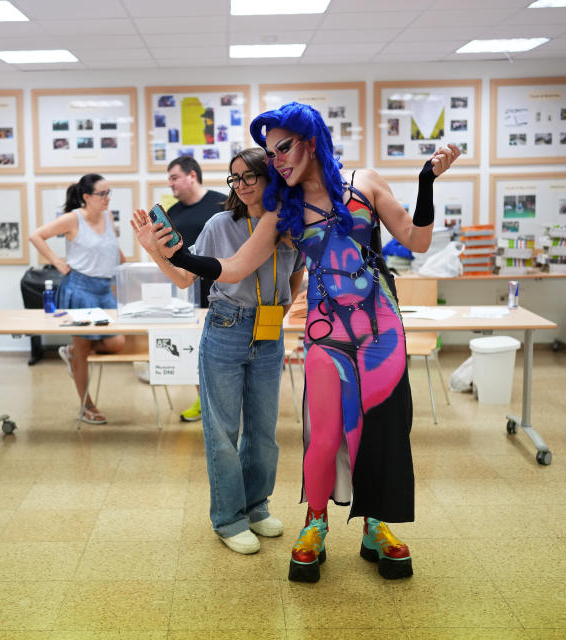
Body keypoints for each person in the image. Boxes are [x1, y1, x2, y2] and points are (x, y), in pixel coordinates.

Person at [150, 102, 460, 582]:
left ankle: (375, 526)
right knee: (324, 433)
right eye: (271, 153)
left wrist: (426, 182)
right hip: (325, 333)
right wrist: (182, 258)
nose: (277, 160)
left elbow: (416, 241)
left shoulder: (367, 183)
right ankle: (315, 523)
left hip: (382, 329)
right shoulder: (283, 210)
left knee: (378, 433)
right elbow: (234, 268)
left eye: (284, 148)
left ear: (311, 140)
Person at [131, 148, 305, 555]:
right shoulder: (219, 224)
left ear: (271, 178)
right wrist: (153, 248)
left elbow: (297, 273)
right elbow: (181, 277)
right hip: (226, 327)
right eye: (235, 179)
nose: (241, 186)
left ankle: (256, 507)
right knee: (224, 433)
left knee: (263, 432)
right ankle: (228, 518)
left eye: (249, 177)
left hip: (269, 330)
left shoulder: (289, 225)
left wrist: (282, 308)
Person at [28, 173, 128, 425]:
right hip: (80, 289)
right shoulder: (73, 219)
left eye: (109, 193)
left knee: (117, 341)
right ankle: (87, 405)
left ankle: (72, 352)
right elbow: (36, 236)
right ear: (86, 197)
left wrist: (123, 264)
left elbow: (112, 247)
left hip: (104, 289)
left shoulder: (107, 216)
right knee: (84, 349)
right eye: (102, 194)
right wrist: (58, 263)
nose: (107, 198)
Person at [165, 155, 228, 422]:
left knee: (224, 351)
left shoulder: (221, 203)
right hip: (188, 291)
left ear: (192, 175)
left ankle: (227, 402)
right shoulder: (173, 213)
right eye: (169, 180)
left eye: (174, 177)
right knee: (197, 349)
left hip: (225, 287)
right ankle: (203, 401)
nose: (171, 184)